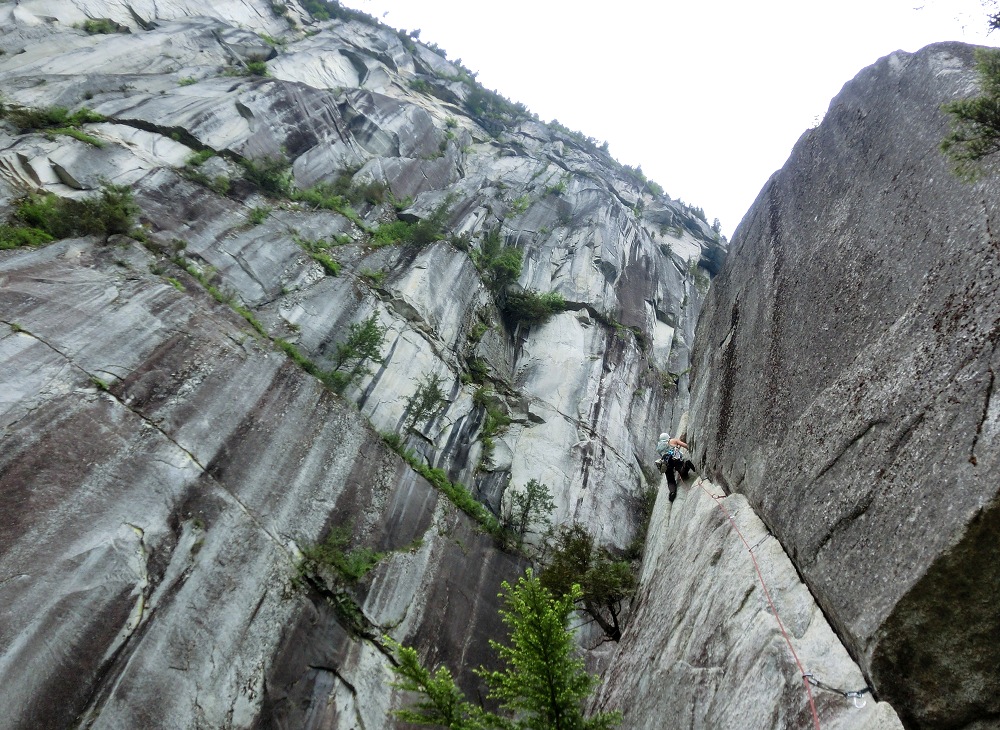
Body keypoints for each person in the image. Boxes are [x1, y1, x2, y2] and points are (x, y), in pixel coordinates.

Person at [655, 432, 694, 502]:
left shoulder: (659, 447)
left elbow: (666, 452)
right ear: (668, 437)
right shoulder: (673, 440)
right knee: (682, 472)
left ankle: (672, 492)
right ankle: (686, 465)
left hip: (666, 462)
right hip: (675, 458)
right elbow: (686, 446)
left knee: (670, 480)